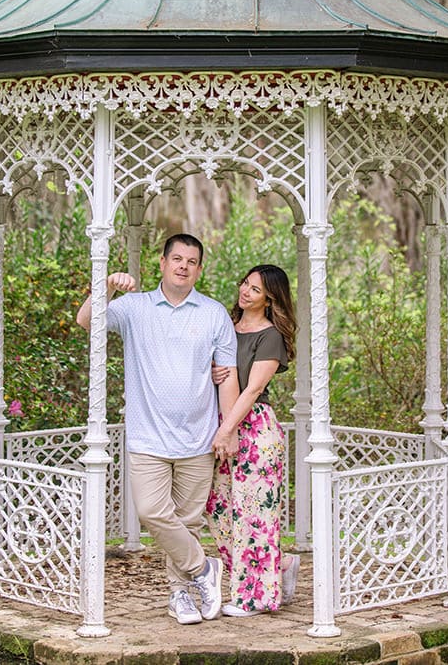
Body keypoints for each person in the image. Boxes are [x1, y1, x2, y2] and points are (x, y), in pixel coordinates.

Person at [76, 233, 237, 626]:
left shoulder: (214, 313)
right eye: (176, 258)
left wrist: (226, 430)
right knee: (152, 512)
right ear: (162, 263)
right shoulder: (134, 307)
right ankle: (203, 571)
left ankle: (180, 594)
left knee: (188, 521)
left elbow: (227, 374)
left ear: (199, 269)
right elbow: (86, 320)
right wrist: (107, 286)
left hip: (199, 438)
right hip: (148, 437)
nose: (183, 265)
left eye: (192, 261)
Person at [205, 264, 299, 617]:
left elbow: (254, 387)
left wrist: (228, 429)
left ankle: (255, 597)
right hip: (221, 424)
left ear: (269, 298)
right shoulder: (227, 326)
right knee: (217, 507)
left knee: (255, 514)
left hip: (254, 428)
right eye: (245, 283)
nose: (245, 291)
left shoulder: (270, 335)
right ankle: (281, 565)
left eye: (255, 289)